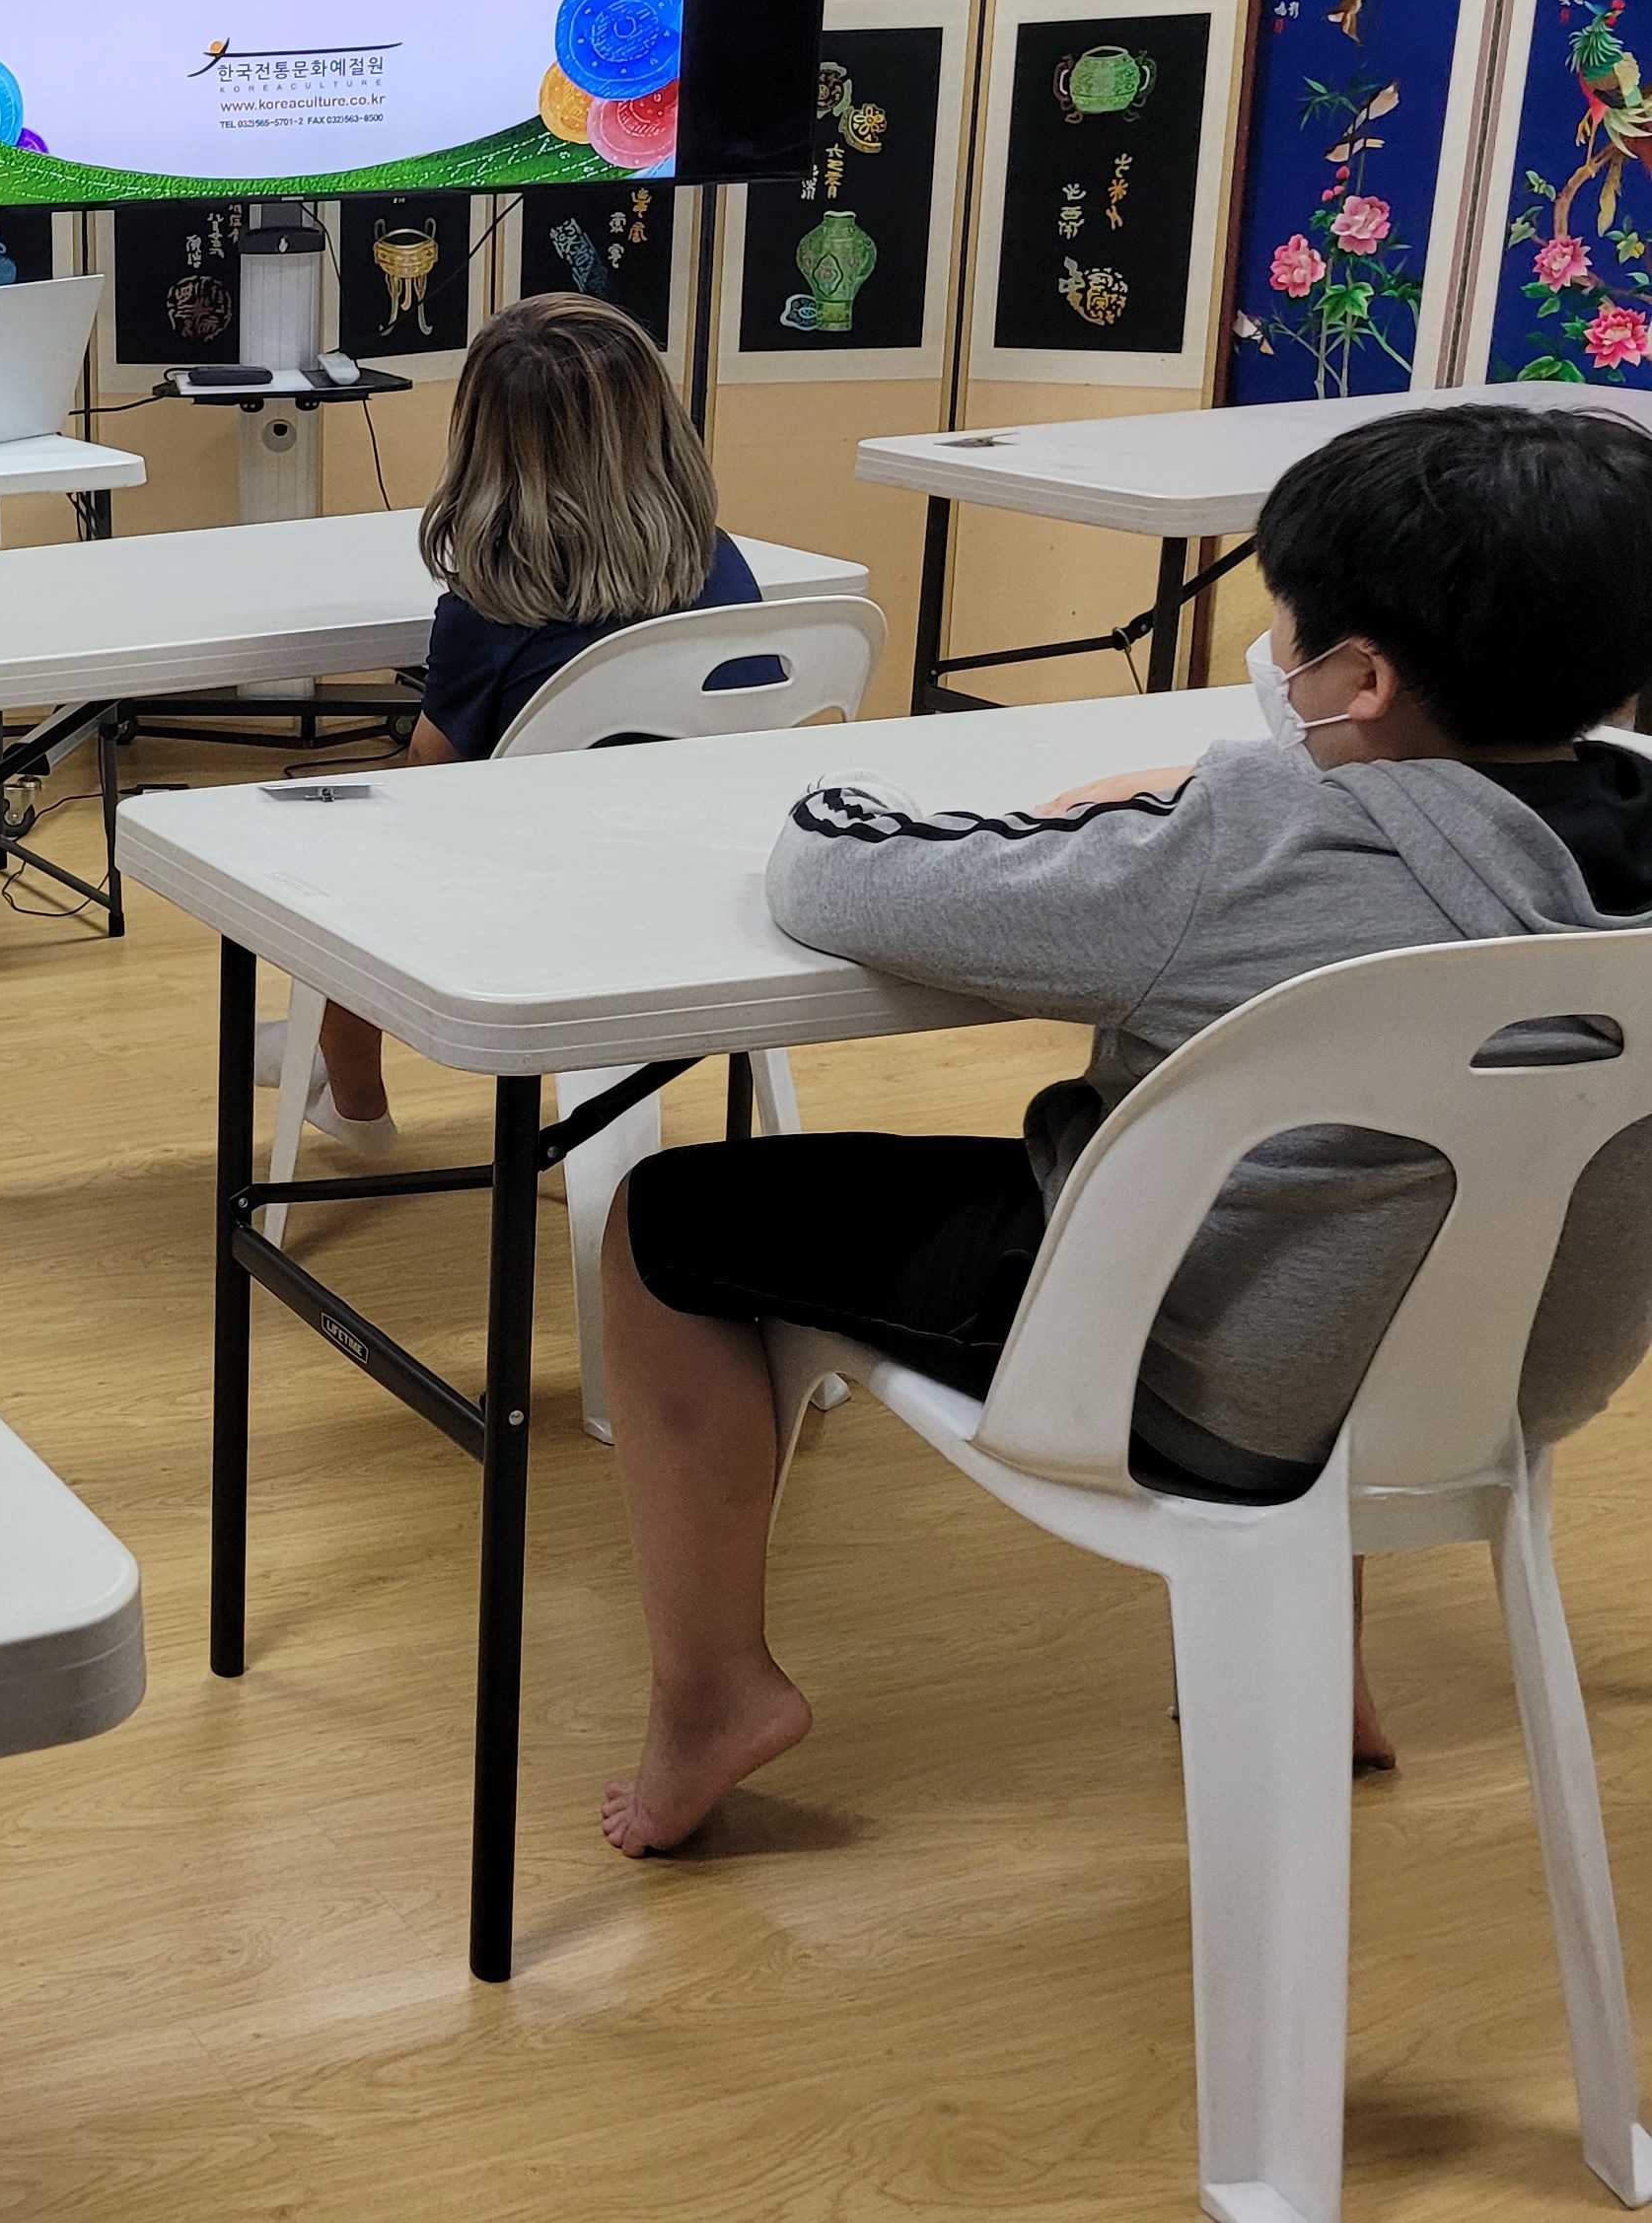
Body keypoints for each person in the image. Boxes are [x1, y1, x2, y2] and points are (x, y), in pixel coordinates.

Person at [594, 402, 1652, 1857]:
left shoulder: (1248, 842)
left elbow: (834, 874)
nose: (1271, 658)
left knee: (667, 1221)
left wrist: (1173, 808)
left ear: (1360, 679)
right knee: (1360, 1198)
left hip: (1210, 1394)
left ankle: (714, 1691)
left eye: (1287, 629)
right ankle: (1320, 1672)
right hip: (1506, 1386)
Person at [263, 293, 769, 1156]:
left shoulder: (494, 604)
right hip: (718, 885)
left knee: (349, 848)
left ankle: (354, 1102)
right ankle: (322, 1056)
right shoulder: (724, 570)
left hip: (535, 906)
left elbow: (430, 783)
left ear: (484, 443)